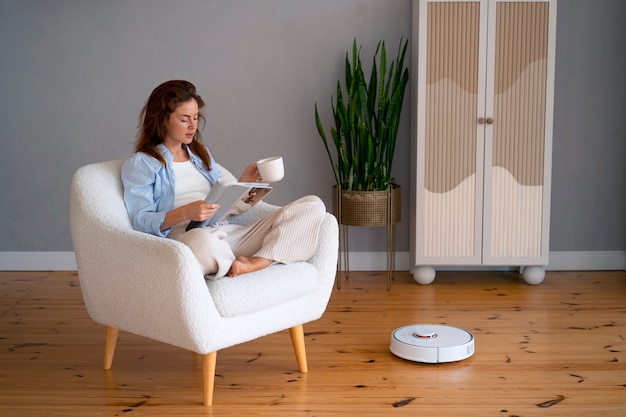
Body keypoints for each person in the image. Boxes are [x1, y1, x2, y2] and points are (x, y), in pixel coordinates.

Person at [121, 80, 326, 278]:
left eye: (195, 117)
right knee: (198, 243)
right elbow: (140, 221)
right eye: (184, 119)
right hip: (186, 237)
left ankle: (258, 262)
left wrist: (244, 183)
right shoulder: (142, 163)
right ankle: (244, 260)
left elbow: (222, 203)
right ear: (162, 120)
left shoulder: (201, 155)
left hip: (224, 233)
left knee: (312, 205)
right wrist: (186, 211)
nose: (192, 125)